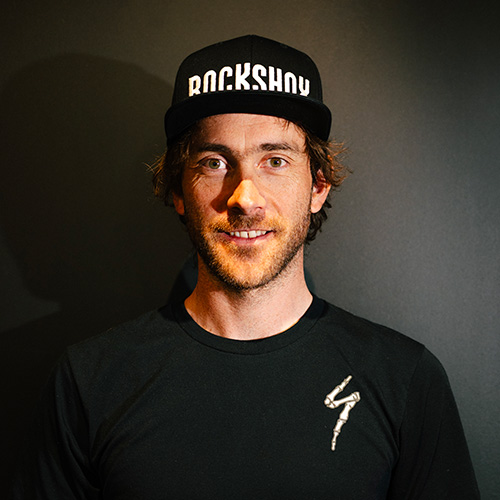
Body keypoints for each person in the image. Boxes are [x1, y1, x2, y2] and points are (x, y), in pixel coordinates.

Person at [12, 35, 479, 499]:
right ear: (178, 190)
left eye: (275, 160)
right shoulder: (90, 381)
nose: (244, 198)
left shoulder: (404, 379)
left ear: (318, 187)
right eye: (215, 162)